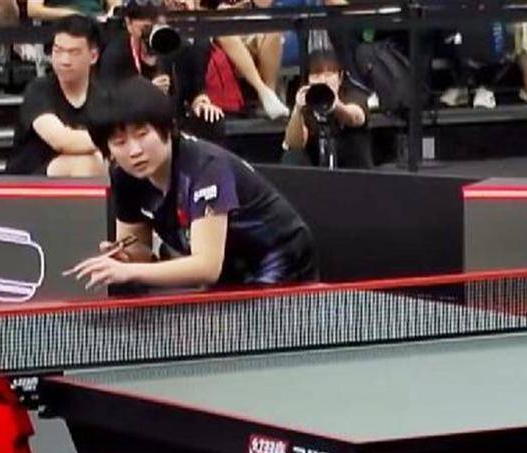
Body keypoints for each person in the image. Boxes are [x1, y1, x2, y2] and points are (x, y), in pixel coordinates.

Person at [68, 77, 316, 289]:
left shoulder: (205, 167)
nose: (134, 151)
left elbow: (206, 267)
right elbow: (139, 249)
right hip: (230, 267)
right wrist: (125, 258)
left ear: (167, 128)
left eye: (142, 135)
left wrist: (129, 271)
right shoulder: (124, 176)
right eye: (120, 142)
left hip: (279, 258)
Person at [97, 0, 226, 141]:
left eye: (155, 18)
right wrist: (147, 93)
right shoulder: (116, 55)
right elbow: (112, 104)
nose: (151, 24)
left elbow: (195, 90)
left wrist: (202, 103)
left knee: (211, 120)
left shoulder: (178, 45)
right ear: (129, 24)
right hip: (137, 125)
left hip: (175, 122)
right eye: (144, 19)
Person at [5, 15, 107, 176]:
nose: (64, 60)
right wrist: (109, 140)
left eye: (74, 52)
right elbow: (62, 140)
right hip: (30, 179)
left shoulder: (104, 94)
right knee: (86, 162)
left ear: (93, 56)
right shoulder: (39, 89)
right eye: (58, 51)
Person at [282, 48, 372, 169]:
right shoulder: (305, 100)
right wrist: (298, 110)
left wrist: (335, 105)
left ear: (340, 77)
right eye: (316, 75)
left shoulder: (352, 94)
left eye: (329, 74)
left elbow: (356, 117)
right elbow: (293, 143)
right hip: (315, 168)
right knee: (292, 156)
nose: (323, 80)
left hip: (351, 166)